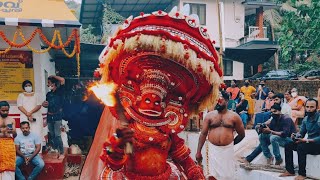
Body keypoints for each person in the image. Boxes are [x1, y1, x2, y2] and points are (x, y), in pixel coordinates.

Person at [196, 91, 245, 180]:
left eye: (220, 99)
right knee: (211, 176)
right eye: (215, 100)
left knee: (228, 176)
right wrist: (198, 151)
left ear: (226, 101)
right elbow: (203, 134)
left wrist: (231, 143)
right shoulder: (209, 116)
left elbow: (242, 134)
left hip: (227, 151)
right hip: (212, 150)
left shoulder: (234, 117)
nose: (217, 102)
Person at [240, 93, 293, 164]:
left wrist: (270, 131)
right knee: (261, 135)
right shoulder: (275, 115)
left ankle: (278, 158)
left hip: (286, 137)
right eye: (274, 100)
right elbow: (271, 122)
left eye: (276, 99)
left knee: (272, 138)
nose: (275, 101)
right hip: (277, 134)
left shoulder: (286, 114)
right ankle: (268, 155)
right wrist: (264, 127)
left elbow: (284, 133)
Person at [280, 99, 320, 180]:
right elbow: (301, 133)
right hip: (309, 143)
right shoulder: (305, 119)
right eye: (307, 107)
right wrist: (296, 135)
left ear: (317, 108)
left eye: (312, 107)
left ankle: (302, 174)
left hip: (317, 145)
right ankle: (290, 170)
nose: (309, 109)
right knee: (288, 144)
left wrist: (307, 140)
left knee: (301, 147)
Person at [42, 75, 65, 155]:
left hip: (57, 116)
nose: (48, 85)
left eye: (49, 83)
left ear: (54, 83)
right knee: (52, 134)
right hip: (49, 116)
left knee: (57, 135)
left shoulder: (60, 91)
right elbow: (46, 104)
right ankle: (55, 149)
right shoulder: (48, 94)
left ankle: (61, 151)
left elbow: (62, 79)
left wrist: (53, 76)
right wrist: (44, 104)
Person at [17, 80, 44, 148]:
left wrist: (31, 112)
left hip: (36, 116)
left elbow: (39, 105)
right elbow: (20, 106)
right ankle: (26, 149)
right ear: (23, 87)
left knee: (37, 132)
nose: (28, 87)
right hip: (24, 116)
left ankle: (38, 150)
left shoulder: (36, 95)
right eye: (26, 86)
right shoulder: (21, 95)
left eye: (29, 85)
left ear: (32, 86)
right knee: (25, 132)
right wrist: (27, 114)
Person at [0, 101, 16, 180]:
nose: (5, 112)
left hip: (9, 144)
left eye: (7, 110)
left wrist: (12, 131)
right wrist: (3, 130)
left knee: (9, 164)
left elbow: (15, 134)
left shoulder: (12, 120)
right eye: (3, 110)